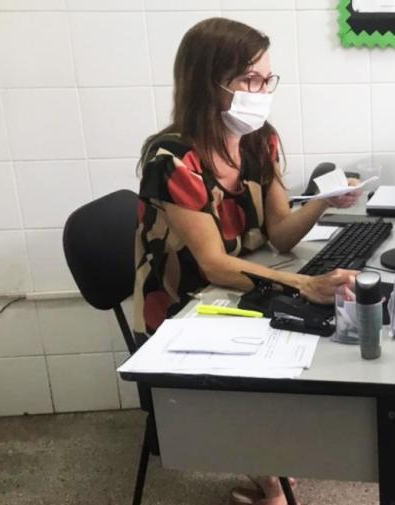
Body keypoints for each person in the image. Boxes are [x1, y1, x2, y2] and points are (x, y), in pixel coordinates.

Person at [133, 17, 359, 505]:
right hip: (183, 303)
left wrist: (323, 201)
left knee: (318, 324)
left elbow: (280, 234)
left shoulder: (260, 139)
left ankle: (271, 454)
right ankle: (270, 474)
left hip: (237, 284)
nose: (261, 92)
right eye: (248, 80)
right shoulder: (171, 159)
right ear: (207, 83)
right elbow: (212, 265)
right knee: (299, 318)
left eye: (266, 79)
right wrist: (302, 286)